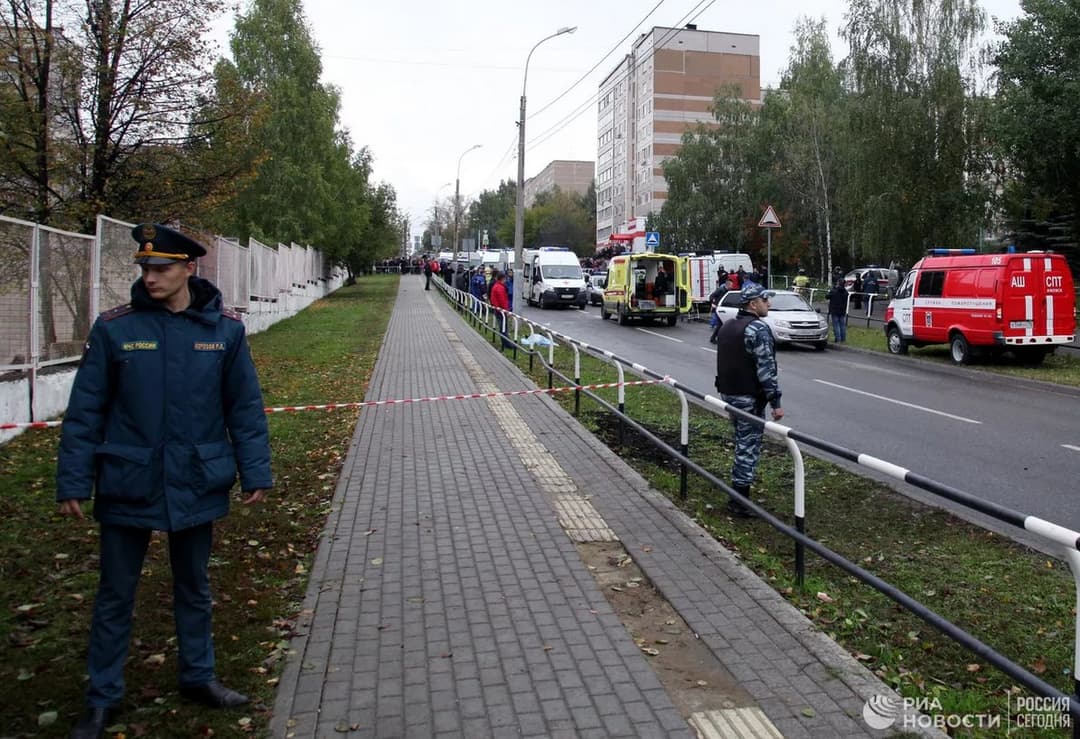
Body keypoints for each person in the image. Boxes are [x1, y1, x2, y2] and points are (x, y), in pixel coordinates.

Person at [57, 223, 273, 739]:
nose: (150, 277)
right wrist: (72, 481)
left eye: (161, 268)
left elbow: (243, 408)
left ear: (188, 270)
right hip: (128, 479)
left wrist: (255, 470)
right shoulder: (114, 328)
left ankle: (198, 676)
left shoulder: (224, 330)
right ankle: (102, 697)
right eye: (145, 268)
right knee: (115, 593)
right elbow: (85, 411)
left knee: (194, 587)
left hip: (195, 478)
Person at [713, 283, 784, 517]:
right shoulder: (758, 330)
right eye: (765, 300)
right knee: (747, 446)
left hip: (728, 394)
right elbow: (767, 370)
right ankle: (740, 502)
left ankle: (739, 496)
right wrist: (775, 403)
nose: (769, 304)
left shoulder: (727, 326)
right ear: (753, 304)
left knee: (741, 441)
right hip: (749, 398)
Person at [489, 270, 513, 350]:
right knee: (503, 328)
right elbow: (503, 301)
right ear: (502, 278)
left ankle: (506, 343)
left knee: (502, 327)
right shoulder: (500, 288)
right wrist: (506, 311)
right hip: (501, 311)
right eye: (505, 279)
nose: (506, 280)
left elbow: (493, 299)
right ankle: (507, 344)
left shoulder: (496, 286)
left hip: (498, 310)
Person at [826, 276, 848, 343]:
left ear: (838, 283)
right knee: (842, 325)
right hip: (842, 310)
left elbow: (827, 296)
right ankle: (843, 339)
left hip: (834, 310)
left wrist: (833, 289)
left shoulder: (834, 291)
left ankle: (838, 339)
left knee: (836, 325)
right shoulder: (845, 292)